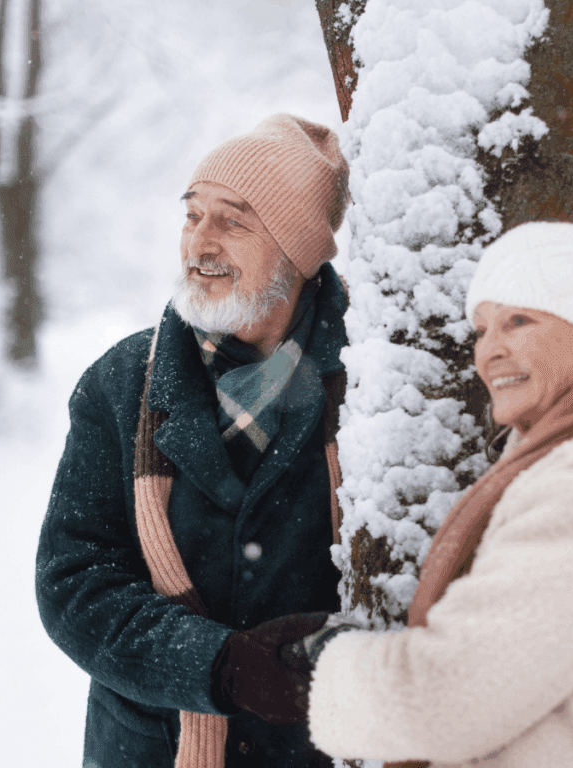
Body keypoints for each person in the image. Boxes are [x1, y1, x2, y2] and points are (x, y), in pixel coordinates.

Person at [265, 222, 573, 767]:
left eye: (519, 320)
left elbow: (442, 704)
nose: (489, 351)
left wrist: (312, 671)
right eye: (482, 329)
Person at [35, 114, 353, 768]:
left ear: (297, 253)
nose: (200, 243)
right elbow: (75, 584)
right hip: (148, 750)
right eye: (193, 216)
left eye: (232, 221)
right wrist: (221, 666)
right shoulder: (122, 383)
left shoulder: (370, 386)